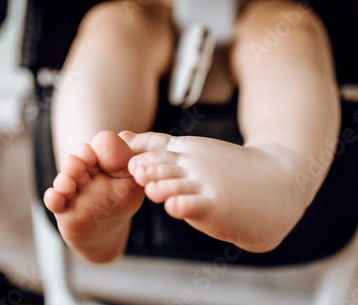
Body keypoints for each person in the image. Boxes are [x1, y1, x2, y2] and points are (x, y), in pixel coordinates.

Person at [43, 0, 340, 264]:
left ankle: (278, 174)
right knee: (108, 29)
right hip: (148, 8)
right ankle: (97, 177)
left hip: (268, 7)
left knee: (291, 32)